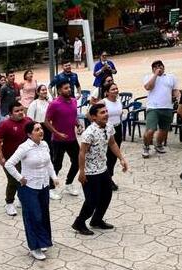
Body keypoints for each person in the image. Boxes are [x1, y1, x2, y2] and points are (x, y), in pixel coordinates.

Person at [72, 104, 129, 235]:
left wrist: (121, 158)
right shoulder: (89, 133)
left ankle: (96, 220)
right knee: (91, 200)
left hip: (103, 169)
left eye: (106, 111)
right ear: (93, 117)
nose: (106, 114)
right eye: (102, 112)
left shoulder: (109, 126)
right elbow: (82, 153)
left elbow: (112, 143)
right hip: (90, 172)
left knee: (107, 195)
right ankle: (79, 222)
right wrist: (81, 172)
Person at [5, 122, 58, 260]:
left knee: (43, 215)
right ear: (29, 134)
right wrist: (20, 178)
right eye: (37, 130)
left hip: (43, 185)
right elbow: (9, 164)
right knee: (33, 216)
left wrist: (54, 177)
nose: (41, 131)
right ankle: (34, 246)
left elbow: (48, 163)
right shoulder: (24, 148)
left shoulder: (45, 144)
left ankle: (43, 241)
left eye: (41, 129)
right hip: (29, 188)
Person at [0, 101, 32, 216]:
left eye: (21, 110)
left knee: (25, 179)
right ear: (10, 113)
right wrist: (1, 158)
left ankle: (22, 199)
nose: (20, 112)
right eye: (17, 111)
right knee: (13, 181)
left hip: (26, 158)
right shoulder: (5, 125)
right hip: (10, 159)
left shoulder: (28, 121)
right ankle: (9, 203)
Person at [45, 81, 81, 198]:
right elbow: (46, 121)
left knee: (78, 162)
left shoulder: (74, 101)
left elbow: (73, 116)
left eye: (69, 87)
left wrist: (78, 125)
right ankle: (51, 188)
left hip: (72, 139)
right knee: (57, 165)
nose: (69, 89)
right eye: (66, 88)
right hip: (58, 140)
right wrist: (57, 133)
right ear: (59, 91)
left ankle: (69, 183)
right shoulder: (54, 104)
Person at [142, 60, 179, 158]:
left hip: (167, 107)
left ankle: (158, 145)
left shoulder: (171, 77)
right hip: (153, 107)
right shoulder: (148, 77)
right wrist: (155, 75)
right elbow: (148, 87)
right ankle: (146, 146)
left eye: (161, 66)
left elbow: (175, 90)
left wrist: (178, 98)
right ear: (153, 69)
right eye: (157, 66)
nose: (160, 68)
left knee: (164, 130)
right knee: (150, 130)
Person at [100, 83, 124, 190]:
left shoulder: (119, 101)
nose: (115, 90)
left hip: (118, 129)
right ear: (107, 92)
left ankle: (109, 177)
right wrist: (100, 126)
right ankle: (106, 180)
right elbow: (90, 114)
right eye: (112, 89)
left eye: (116, 88)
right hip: (107, 130)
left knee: (114, 156)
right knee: (107, 155)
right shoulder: (103, 102)